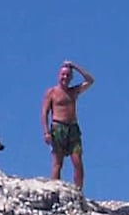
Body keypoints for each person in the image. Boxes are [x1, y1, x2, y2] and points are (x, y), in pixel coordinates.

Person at [41, 60, 95, 192]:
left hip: (73, 129)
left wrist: (74, 66)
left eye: (68, 75)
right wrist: (46, 132)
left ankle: (78, 192)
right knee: (57, 164)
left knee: (78, 163)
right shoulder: (52, 92)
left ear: (71, 77)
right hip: (58, 128)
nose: (65, 77)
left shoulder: (73, 91)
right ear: (58, 76)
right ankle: (54, 190)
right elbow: (44, 112)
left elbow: (90, 80)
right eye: (63, 75)